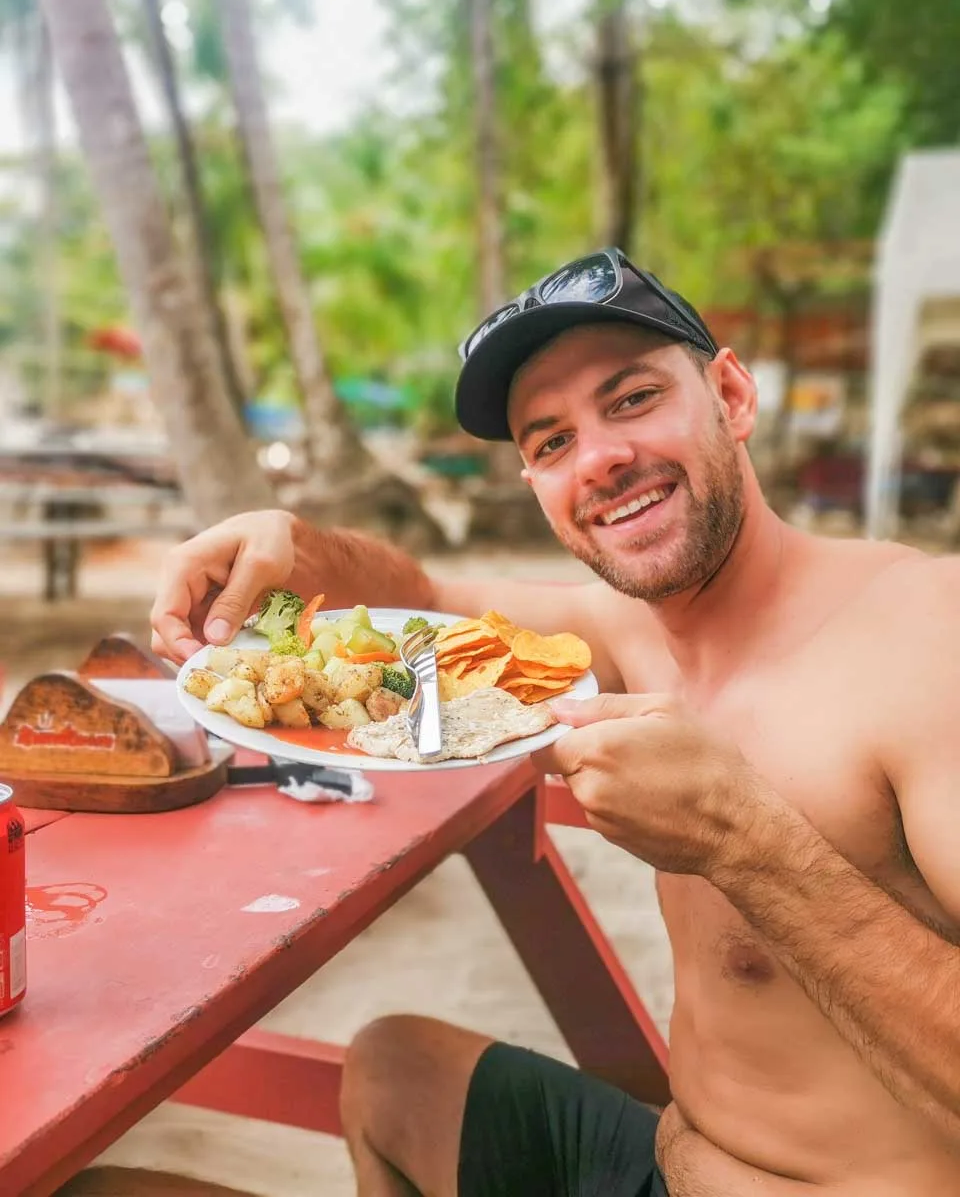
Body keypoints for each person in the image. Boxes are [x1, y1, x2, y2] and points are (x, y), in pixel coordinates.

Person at [151, 248, 960, 1195]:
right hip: (678, 1158)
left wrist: (748, 841)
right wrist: (291, 545)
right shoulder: (629, 627)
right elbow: (423, 601)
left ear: (732, 397)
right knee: (394, 1071)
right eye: (549, 442)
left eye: (631, 400)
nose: (602, 460)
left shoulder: (925, 638)